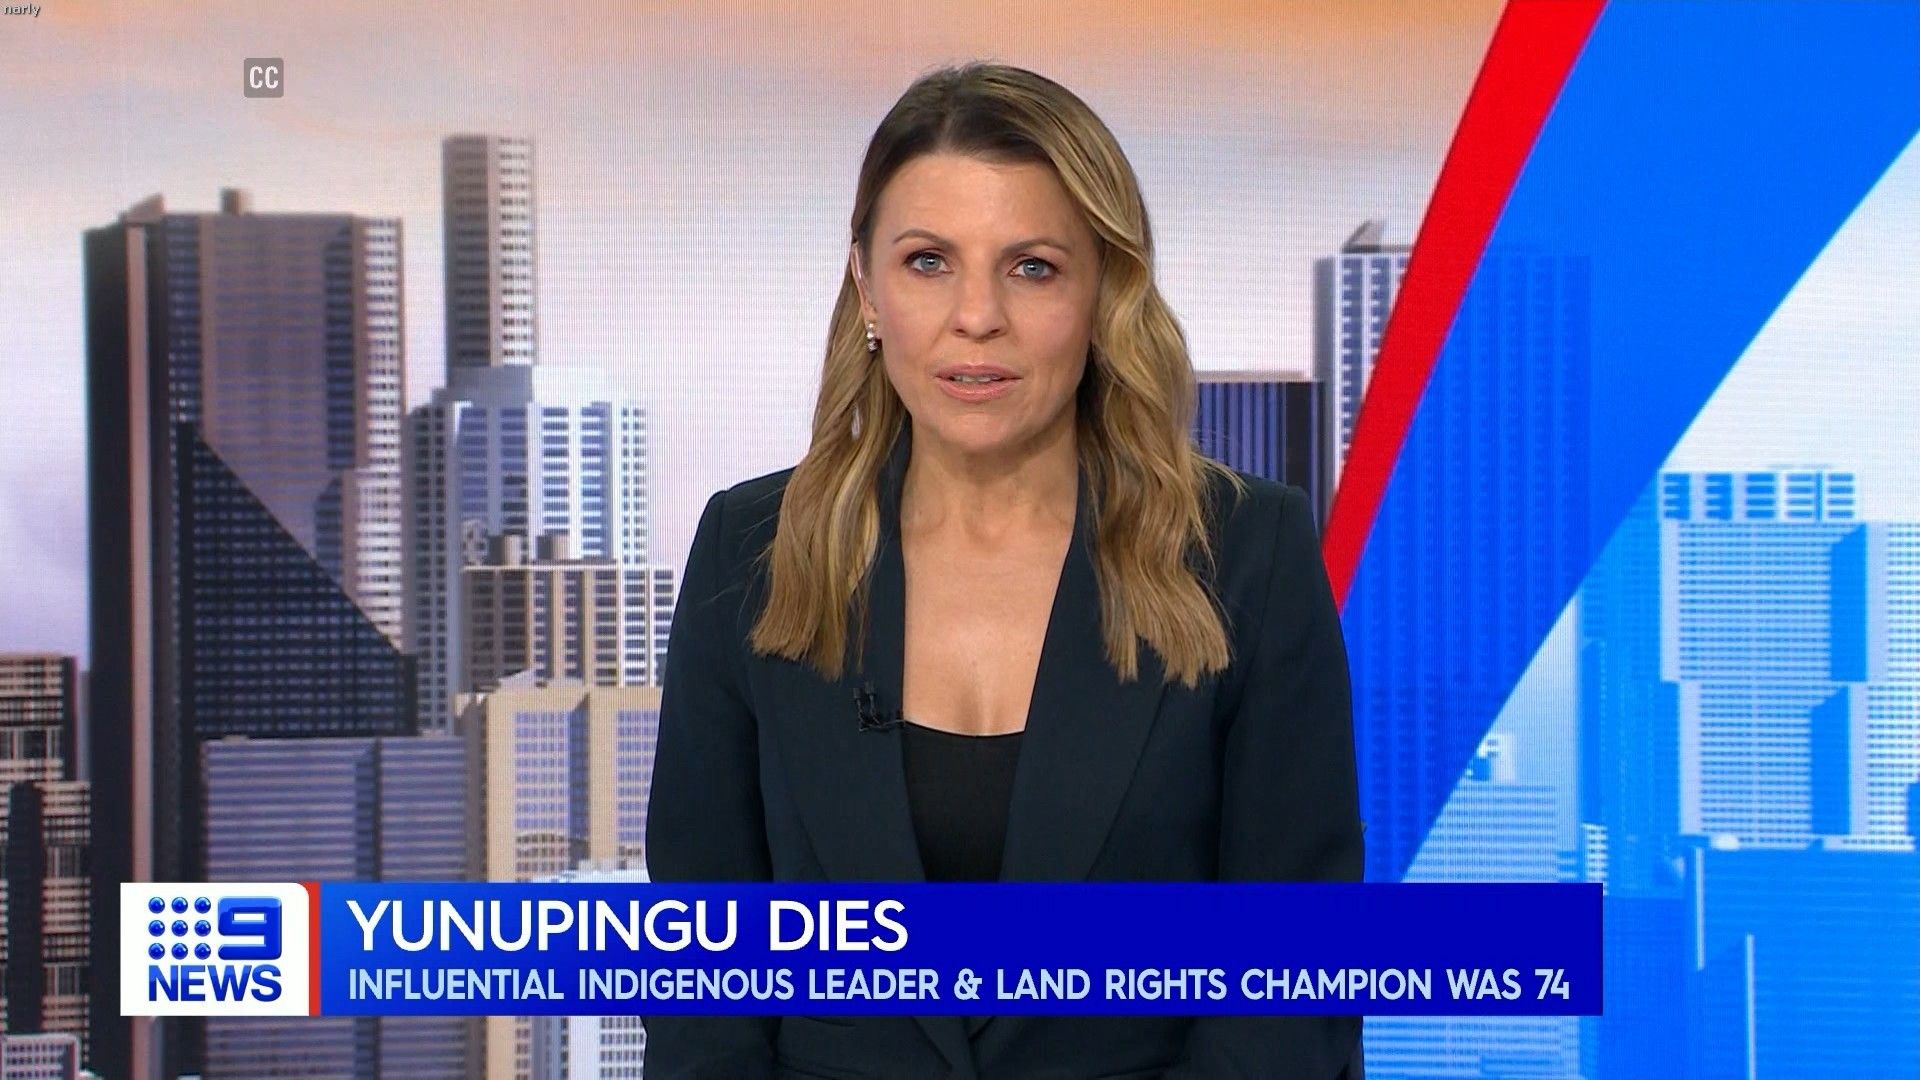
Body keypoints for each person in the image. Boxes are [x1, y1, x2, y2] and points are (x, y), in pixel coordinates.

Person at [643, 61, 1364, 1079]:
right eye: (928, 261)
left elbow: (1290, 979)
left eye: (1031, 267)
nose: (976, 315)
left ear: (1103, 292)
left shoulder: (1247, 553)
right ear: (867, 286)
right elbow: (705, 978)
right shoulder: (748, 550)